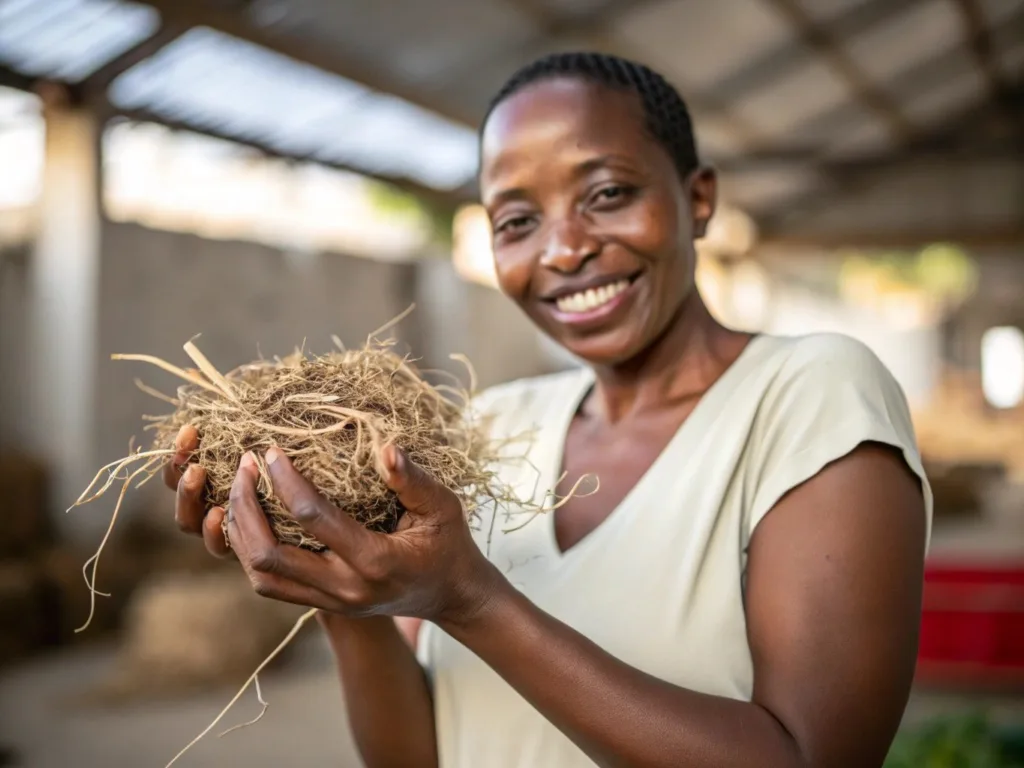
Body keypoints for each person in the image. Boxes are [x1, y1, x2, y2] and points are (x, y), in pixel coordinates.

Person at [166, 52, 932, 768]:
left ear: (698, 201)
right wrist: (339, 588)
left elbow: (807, 756)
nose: (564, 250)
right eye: (517, 222)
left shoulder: (809, 392)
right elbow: (420, 756)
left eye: (607, 195)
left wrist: (468, 599)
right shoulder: (494, 427)